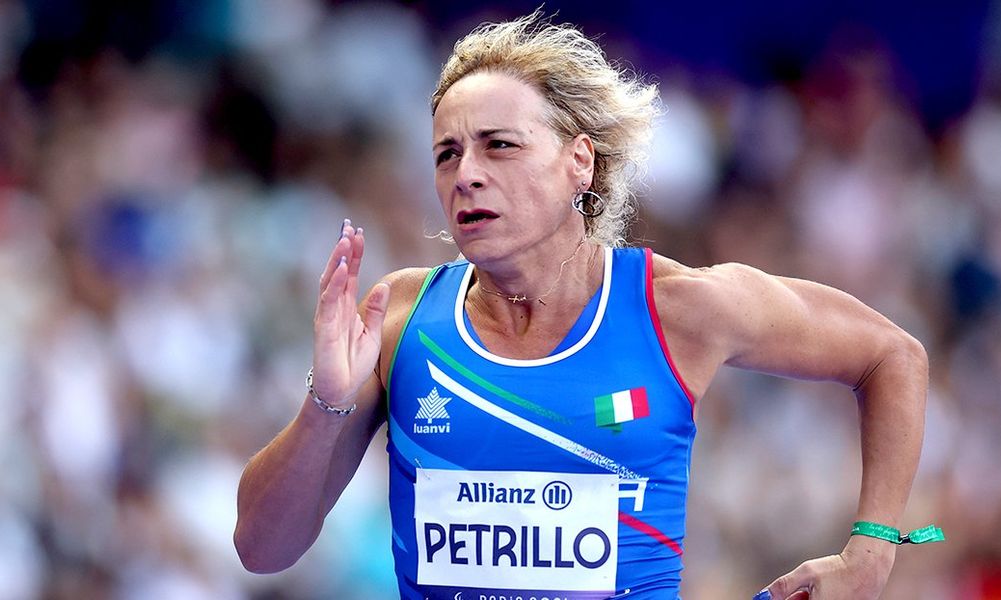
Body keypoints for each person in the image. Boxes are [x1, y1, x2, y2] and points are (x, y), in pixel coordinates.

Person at [234, 11, 932, 600]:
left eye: (499, 146)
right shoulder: (401, 319)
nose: (465, 174)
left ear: (579, 162)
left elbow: (891, 356)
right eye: (446, 154)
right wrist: (325, 407)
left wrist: (870, 553)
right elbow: (262, 550)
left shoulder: (676, 308)